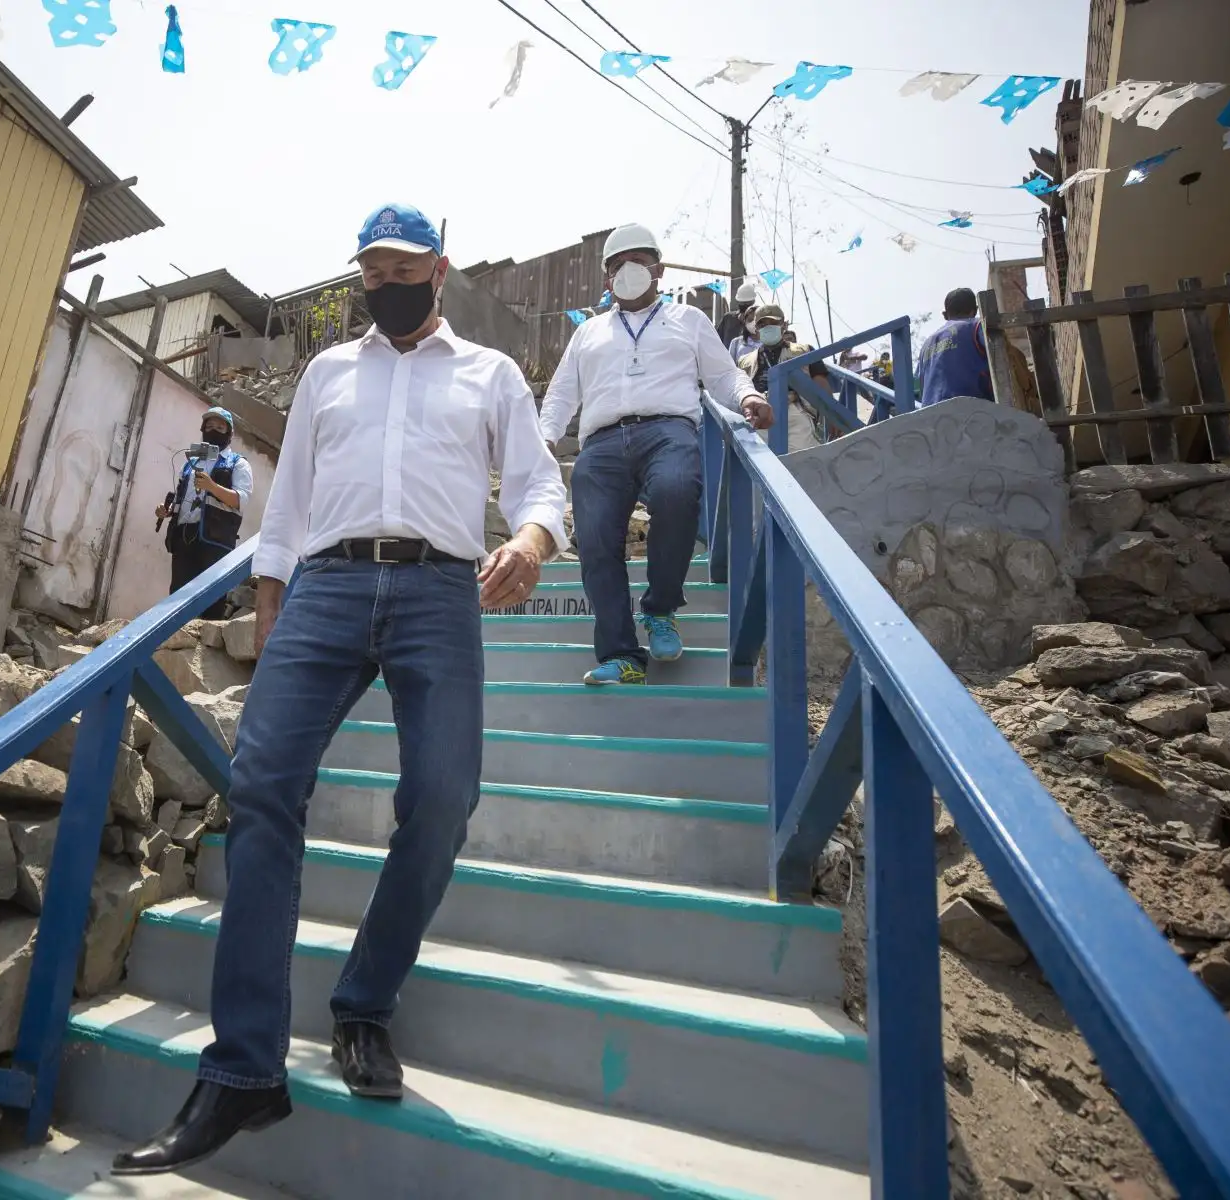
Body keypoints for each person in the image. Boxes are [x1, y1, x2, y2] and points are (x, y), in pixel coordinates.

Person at [112, 202, 566, 1176]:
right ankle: (243, 1070)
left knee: (443, 801)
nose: (382, 283)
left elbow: (539, 486)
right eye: (369, 269)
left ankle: (364, 1005)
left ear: (437, 270)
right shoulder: (327, 371)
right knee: (263, 791)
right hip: (323, 590)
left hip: (440, 591)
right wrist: (274, 610)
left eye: (400, 266)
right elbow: (290, 508)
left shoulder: (488, 375)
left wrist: (529, 540)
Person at [539, 222, 773, 687]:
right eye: (617, 267)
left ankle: (661, 609)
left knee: (676, 491)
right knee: (596, 541)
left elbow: (723, 376)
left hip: (669, 431)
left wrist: (747, 398)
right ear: (607, 279)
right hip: (601, 443)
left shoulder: (689, 321)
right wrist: (543, 439)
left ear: (659, 270)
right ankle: (622, 655)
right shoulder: (587, 333)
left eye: (638, 264)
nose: (628, 273)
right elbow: (562, 393)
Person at [155, 406, 252, 619]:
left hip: (215, 541)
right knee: (177, 597)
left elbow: (240, 500)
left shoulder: (238, 463)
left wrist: (212, 487)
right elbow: (184, 498)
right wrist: (168, 511)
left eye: (220, 427)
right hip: (184, 537)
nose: (214, 430)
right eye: (209, 426)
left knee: (211, 600)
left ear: (230, 433)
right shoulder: (192, 462)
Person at [915, 287, 994, 408]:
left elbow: (920, 383)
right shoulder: (977, 326)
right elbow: (1002, 359)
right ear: (975, 310)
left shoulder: (926, 344)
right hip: (973, 413)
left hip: (931, 418)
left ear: (945, 315)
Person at [720, 279, 760, 361]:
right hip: (727, 363)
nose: (745, 305)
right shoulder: (728, 318)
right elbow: (717, 340)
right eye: (742, 303)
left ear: (753, 301)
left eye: (747, 303)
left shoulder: (759, 319)